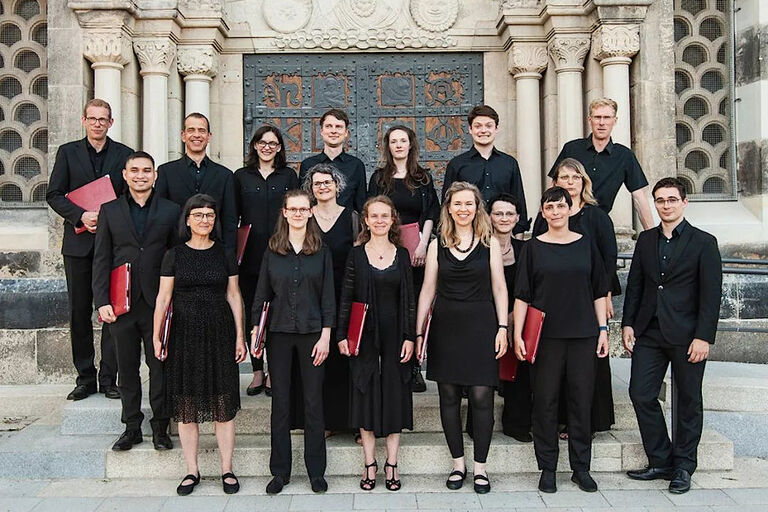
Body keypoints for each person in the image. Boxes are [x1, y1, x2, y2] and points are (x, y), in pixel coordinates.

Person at [623, 177, 722, 495]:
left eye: (671, 199)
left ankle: (683, 467)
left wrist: (703, 337)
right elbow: (636, 285)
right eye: (660, 200)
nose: (665, 205)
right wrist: (628, 325)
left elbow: (711, 295)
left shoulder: (704, 242)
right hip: (649, 332)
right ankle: (661, 460)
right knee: (641, 394)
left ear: (684, 202)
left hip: (687, 335)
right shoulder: (646, 240)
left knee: (689, 401)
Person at [513, 186, 610, 494]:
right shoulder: (533, 248)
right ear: (543, 213)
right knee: (545, 401)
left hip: (583, 334)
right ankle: (548, 468)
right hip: (545, 337)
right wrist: (517, 333)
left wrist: (604, 329)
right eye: (549, 208)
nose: (555, 212)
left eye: (560, 206)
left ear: (570, 209)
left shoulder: (586, 245)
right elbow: (523, 295)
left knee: (581, 402)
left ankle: (581, 468)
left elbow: (598, 291)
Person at [415, 182, 508, 494]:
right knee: (449, 398)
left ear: (476, 207)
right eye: (458, 204)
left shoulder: (489, 243)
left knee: (482, 398)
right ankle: (458, 463)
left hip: (482, 325)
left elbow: (499, 288)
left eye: (469, 204)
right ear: (449, 209)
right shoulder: (436, 244)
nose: (463, 209)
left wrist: (502, 328)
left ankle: (480, 467)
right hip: (446, 327)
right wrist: (418, 333)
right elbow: (428, 289)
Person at [153, 194, 247, 496]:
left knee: (223, 404)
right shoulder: (174, 255)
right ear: (188, 219)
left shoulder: (224, 253)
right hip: (183, 334)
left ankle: (226, 468)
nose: (204, 220)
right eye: (198, 215)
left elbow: (234, 296)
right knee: (187, 405)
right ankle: (192, 470)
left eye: (209, 215)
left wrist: (240, 335)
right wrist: (157, 335)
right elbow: (163, 298)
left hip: (219, 331)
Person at [46, 98, 133, 401]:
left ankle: (109, 377)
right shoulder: (68, 153)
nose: (98, 123)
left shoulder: (124, 155)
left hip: (113, 246)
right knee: (79, 312)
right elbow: (53, 194)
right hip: (78, 245)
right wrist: (80, 216)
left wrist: (109, 220)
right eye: (93, 118)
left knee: (113, 312)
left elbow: (129, 197)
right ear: (84, 121)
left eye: (103, 119)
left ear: (111, 122)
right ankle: (85, 378)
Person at [92, 151, 180, 452]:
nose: (141, 175)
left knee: (160, 367)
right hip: (121, 304)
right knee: (126, 367)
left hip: (158, 302)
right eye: (135, 170)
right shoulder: (109, 210)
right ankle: (131, 426)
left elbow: (177, 256)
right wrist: (101, 300)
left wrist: (175, 300)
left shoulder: (171, 210)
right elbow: (101, 258)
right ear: (125, 175)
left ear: (155, 175)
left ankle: (160, 427)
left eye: (146, 170)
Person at [251, 190, 336, 495]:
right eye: (293, 209)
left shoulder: (321, 251)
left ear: (311, 212)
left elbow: (329, 298)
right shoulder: (272, 251)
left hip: (314, 334)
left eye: (304, 209)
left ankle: (316, 471)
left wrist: (327, 335)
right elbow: (261, 296)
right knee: (281, 403)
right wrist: (255, 334)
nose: (299, 214)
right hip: (279, 335)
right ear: (284, 213)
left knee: (313, 402)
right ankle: (280, 472)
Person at [533, 158, 620, 435]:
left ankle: (589, 421)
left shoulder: (597, 217)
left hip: (589, 299)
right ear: (555, 183)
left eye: (575, 177)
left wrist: (604, 294)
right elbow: (535, 252)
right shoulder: (548, 214)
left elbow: (608, 259)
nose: (569, 182)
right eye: (564, 177)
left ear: (583, 182)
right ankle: (559, 419)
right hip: (554, 303)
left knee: (589, 364)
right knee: (554, 368)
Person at [337, 196, 416, 492]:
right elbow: (346, 296)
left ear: (392, 219)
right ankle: (369, 462)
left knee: (395, 392)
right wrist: (342, 335)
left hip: (396, 333)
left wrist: (411, 336)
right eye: (374, 216)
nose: (380, 220)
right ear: (366, 221)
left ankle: (392, 464)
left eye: (386, 216)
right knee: (364, 391)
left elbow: (409, 300)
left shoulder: (403, 255)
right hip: (363, 332)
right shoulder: (356, 255)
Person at [368, 125, 440, 393]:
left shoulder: (422, 178)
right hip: (384, 246)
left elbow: (432, 211)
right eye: (394, 141)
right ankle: (387, 365)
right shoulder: (378, 178)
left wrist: (422, 245)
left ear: (411, 145)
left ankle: (413, 367)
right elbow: (372, 211)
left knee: (413, 304)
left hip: (416, 247)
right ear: (388, 146)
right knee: (388, 303)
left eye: (403, 140)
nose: (398, 145)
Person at [234, 125, 300, 396]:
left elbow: (297, 212)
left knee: (278, 312)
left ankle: (275, 371)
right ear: (255, 146)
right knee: (254, 310)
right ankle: (257, 370)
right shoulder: (240, 177)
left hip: (282, 254)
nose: (267, 147)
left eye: (273, 143)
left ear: (280, 148)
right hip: (250, 256)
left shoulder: (289, 176)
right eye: (262, 142)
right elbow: (233, 217)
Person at [303, 163, 358, 436]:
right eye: (317, 183)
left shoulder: (352, 218)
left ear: (338, 186)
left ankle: (353, 421)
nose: (323, 187)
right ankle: (323, 421)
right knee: (319, 360)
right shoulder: (304, 217)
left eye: (328, 182)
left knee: (347, 359)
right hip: (311, 297)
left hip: (346, 293)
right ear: (311, 189)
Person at [549, 97, 654, 230]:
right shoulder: (572, 148)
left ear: (614, 121)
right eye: (597, 117)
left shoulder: (624, 155)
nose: (602, 123)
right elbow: (553, 187)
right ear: (589, 120)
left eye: (607, 117)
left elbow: (639, 197)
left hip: (599, 225)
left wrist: (652, 237)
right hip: (566, 223)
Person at [441, 105, 528, 237]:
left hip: (502, 235)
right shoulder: (457, 164)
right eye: (478, 126)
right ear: (470, 129)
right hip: (467, 234)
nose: (483, 130)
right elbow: (447, 204)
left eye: (488, 126)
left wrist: (518, 237)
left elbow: (518, 199)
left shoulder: (510, 163)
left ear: (496, 128)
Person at [155, 112, 238, 248]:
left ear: (209, 136)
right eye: (191, 130)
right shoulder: (166, 172)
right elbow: (159, 217)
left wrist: (228, 256)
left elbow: (230, 221)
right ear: (183, 136)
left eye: (202, 130)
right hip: (176, 250)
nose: (197, 135)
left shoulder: (225, 175)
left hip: (214, 251)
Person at [487, 193, 531, 442]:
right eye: (498, 213)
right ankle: (479, 425)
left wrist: (514, 316)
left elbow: (530, 287)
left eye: (509, 214)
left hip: (518, 318)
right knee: (482, 375)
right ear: (490, 217)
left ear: (517, 218)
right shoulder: (481, 247)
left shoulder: (526, 249)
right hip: (485, 317)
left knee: (520, 370)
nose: (504, 218)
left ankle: (517, 424)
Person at [299, 108, 366, 212]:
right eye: (328, 126)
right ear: (321, 131)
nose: (333, 131)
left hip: (346, 226)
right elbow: (303, 201)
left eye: (338, 127)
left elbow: (361, 205)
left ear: (346, 133)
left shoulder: (356, 165)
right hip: (314, 226)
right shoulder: (308, 165)